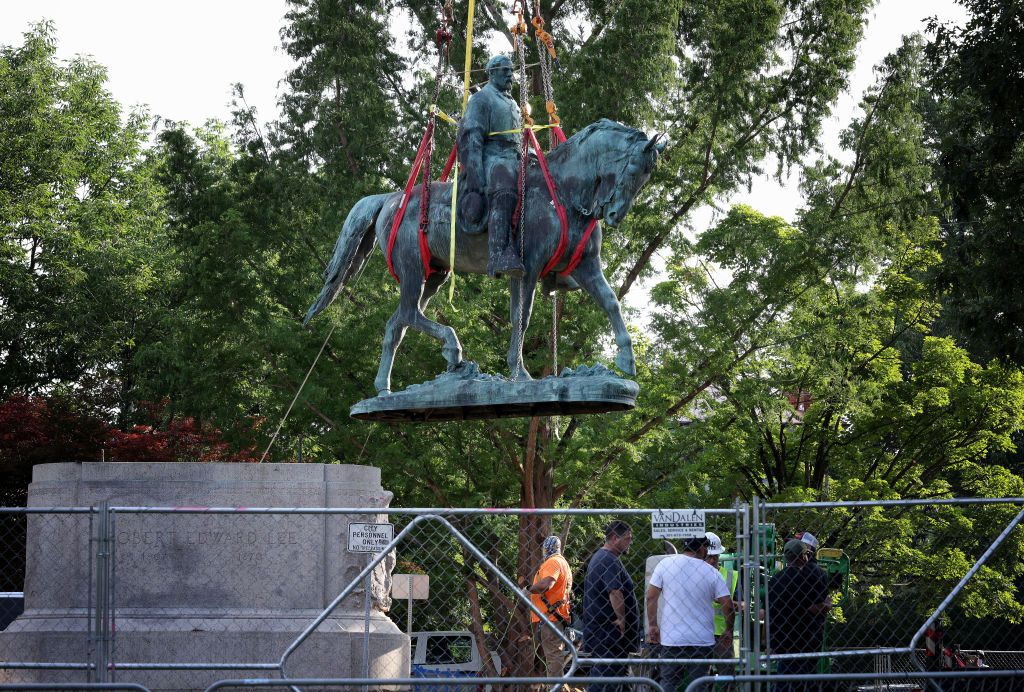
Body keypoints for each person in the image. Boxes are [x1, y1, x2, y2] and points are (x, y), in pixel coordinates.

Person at [456, 54, 525, 279]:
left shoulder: (512, 103)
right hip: (492, 156)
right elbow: (472, 136)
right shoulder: (482, 99)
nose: (509, 75)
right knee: (504, 189)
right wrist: (474, 171)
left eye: (511, 71)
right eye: (504, 70)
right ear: (491, 72)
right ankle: (498, 254)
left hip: (514, 155)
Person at [646, 535, 734, 692]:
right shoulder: (711, 572)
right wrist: (728, 630)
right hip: (701, 640)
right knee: (699, 685)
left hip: (672, 639)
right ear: (701, 549)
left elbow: (651, 597)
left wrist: (653, 625)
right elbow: (727, 605)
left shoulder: (665, 564)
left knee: (669, 683)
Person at [767, 539, 831, 691]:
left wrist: (768, 640)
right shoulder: (810, 579)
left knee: (783, 677)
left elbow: (767, 612)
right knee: (805, 678)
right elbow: (814, 608)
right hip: (806, 637)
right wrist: (827, 604)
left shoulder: (775, 580)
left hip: (781, 637)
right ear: (803, 556)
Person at [583, 520, 639, 691]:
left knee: (618, 681)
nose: (630, 542)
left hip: (607, 634)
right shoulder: (608, 559)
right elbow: (614, 591)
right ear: (614, 538)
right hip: (607, 634)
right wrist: (622, 619)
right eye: (627, 538)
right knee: (605, 681)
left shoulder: (605, 557)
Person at [528, 535, 573, 678]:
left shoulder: (553, 562)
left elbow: (547, 584)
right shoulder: (563, 563)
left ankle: (555, 687)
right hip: (554, 616)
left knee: (553, 656)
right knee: (553, 656)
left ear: (546, 549)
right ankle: (554, 686)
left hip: (550, 617)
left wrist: (529, 589)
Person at [704, 532, 740, 657]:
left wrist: (724, 601)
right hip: (700, 632)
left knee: (727, 672)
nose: (713, 560)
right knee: (701, 672)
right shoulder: (693, 575)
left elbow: (744, 605)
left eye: (716, 556)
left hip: (723, 633)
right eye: (709, 556)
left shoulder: (732, 576)